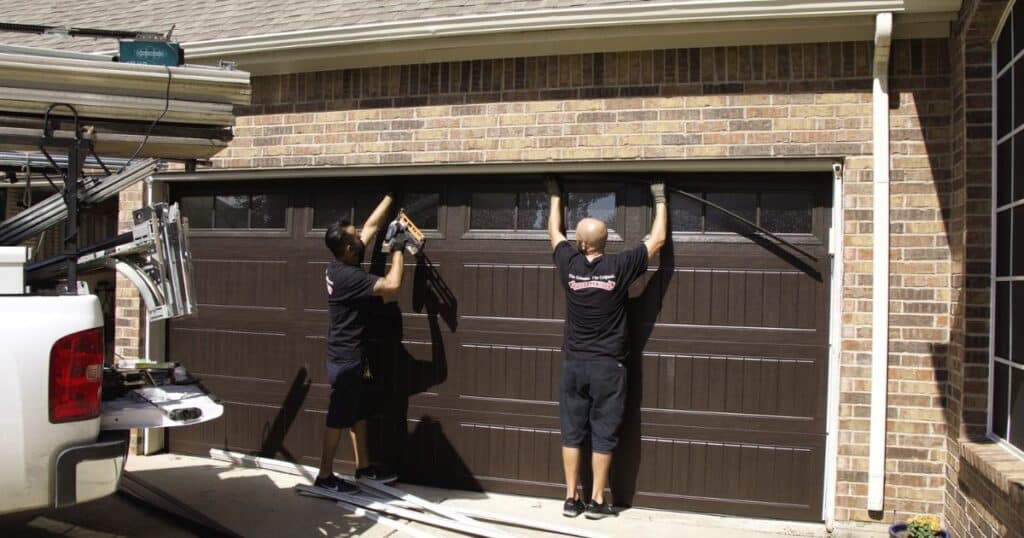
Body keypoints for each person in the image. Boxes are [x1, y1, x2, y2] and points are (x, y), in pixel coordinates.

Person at [546, 177, 668, 519]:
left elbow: (554, 234)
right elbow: (657, 240)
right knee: (603, 432)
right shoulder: (618, 266)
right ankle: (598, 500)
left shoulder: (569, 265)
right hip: (608, 369)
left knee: (571, 431)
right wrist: (660, 197)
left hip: (574, 365)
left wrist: (555, 196)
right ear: (602, 242)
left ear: (581, 245)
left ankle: (571, 499)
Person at [314, 193, 406, 493]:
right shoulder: (346, 277)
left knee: (360, 409)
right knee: (338, 416)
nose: (361, 236)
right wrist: (398, 249)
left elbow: (370, 225)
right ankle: (325, 476)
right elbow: (392, 286)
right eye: (356, 237)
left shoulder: (342, 257)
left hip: (360, 356)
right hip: (347, 361)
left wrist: (391, 196)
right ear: (350, 249)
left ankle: (363, 468)